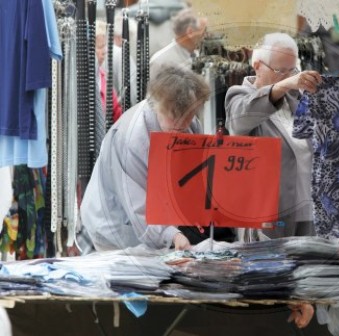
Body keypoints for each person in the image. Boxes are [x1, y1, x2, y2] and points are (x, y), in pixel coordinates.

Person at [80, 66, 210, 251]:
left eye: (190, 115)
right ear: (158, 107)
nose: (184, 123)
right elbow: (136, 204)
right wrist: (171, 234)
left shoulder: (190, 124)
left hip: (155, 220)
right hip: (114, 226)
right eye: (175, 118)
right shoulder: (131, 139)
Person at [225, 32, 322, 239]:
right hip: (266, 217)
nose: (288, 77)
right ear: (257, 66)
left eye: (292, 70)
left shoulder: (298, 101)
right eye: (280, 70)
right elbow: (239, 121)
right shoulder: (238, 96)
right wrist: (284, 85)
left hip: (307, 211)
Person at [149, 8, 207, 75]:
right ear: (190, 32)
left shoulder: (199, 56)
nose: (208, 35)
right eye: (204, 31)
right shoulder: (160, 62)